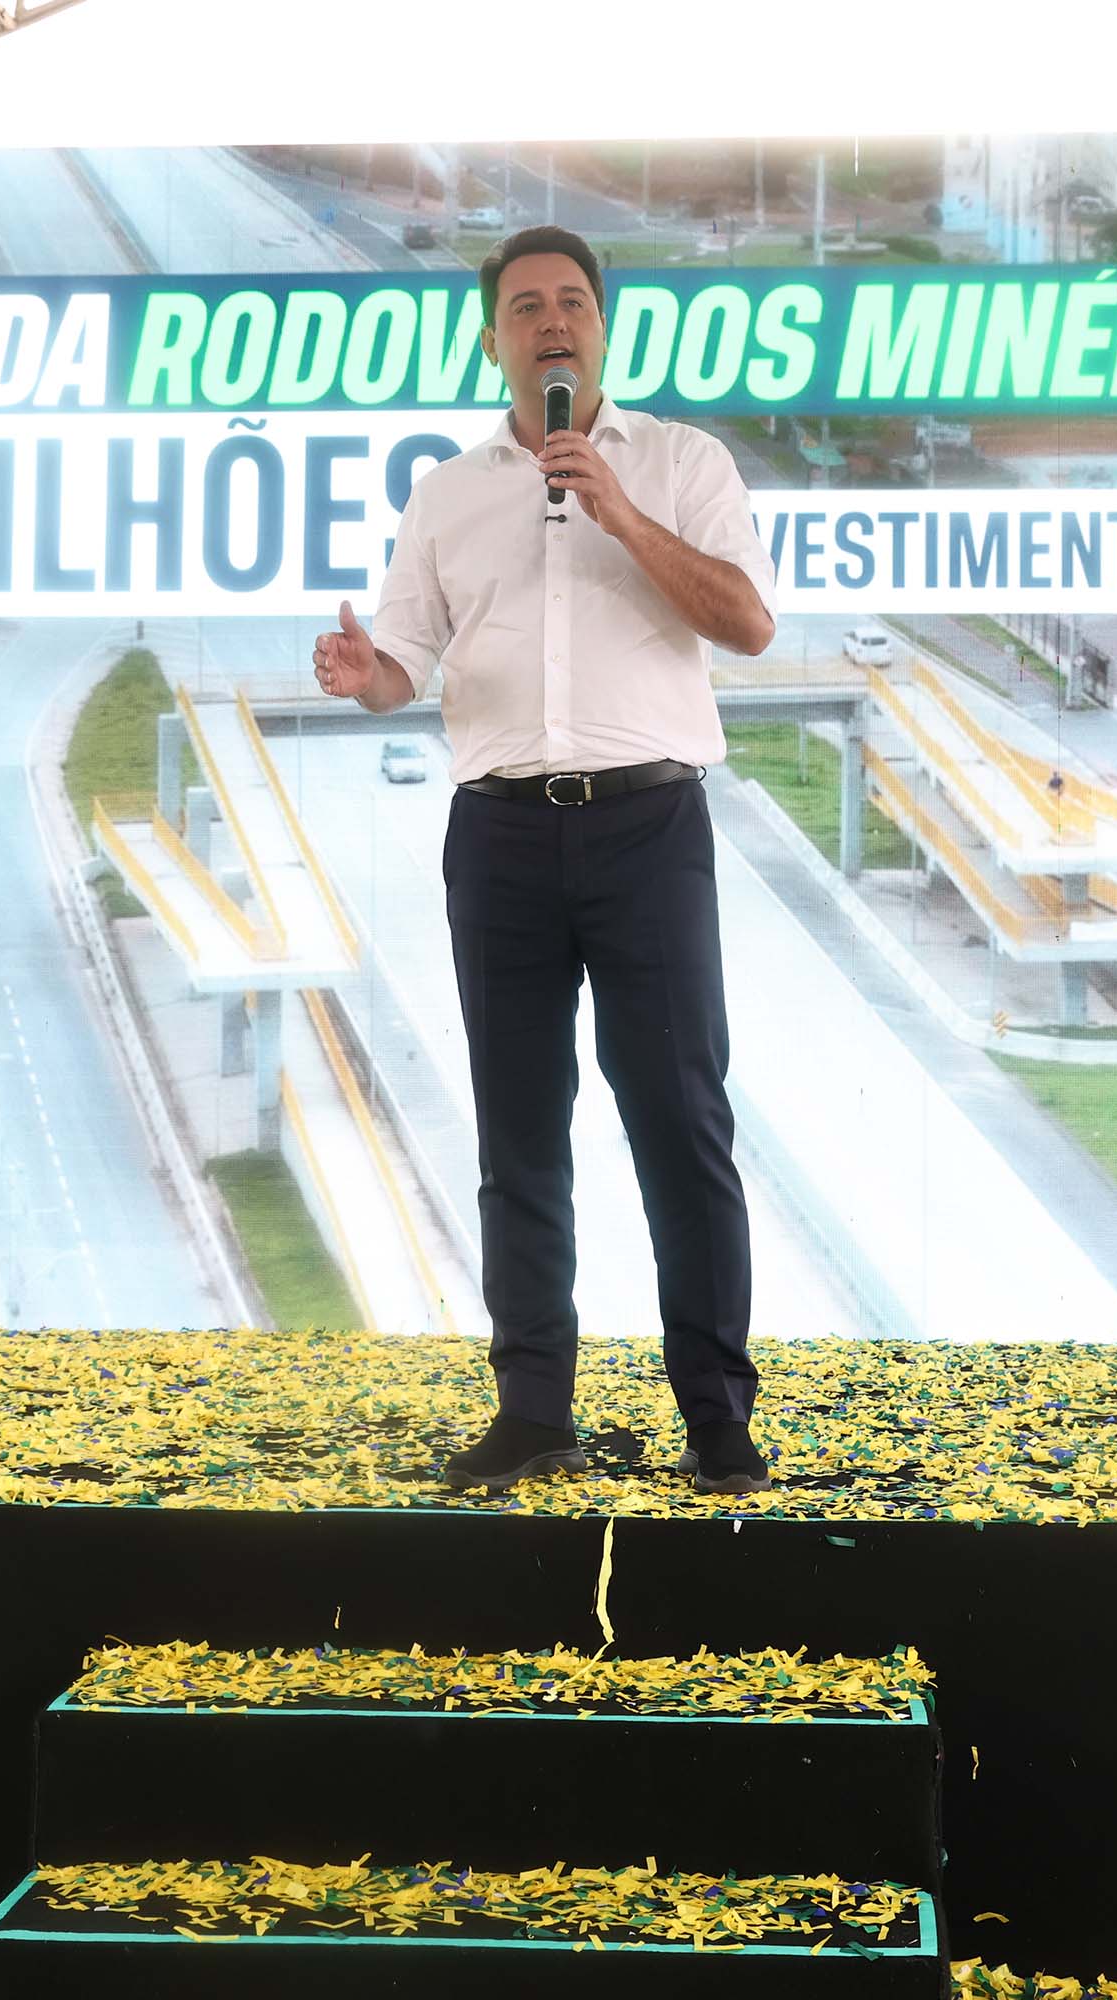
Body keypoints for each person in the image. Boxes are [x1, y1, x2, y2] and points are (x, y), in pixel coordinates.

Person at [313, 225, 778, 1497]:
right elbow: (404, 661)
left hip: (650, 830)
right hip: (502, 836)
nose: (552, 320)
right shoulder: (447, 494)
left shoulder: (681, 462)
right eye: (525, 306)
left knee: (681, 1120)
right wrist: (364, 675)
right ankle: (531, 1410)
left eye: (573, 300)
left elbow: (746, 621)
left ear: (603, 327)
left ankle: (718, 1419)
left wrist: (617, 510)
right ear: (494, 340)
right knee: (519, 1131)